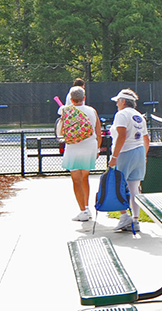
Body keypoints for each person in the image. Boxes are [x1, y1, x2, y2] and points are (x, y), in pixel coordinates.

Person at [57, 86, 101, 221]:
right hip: (90, 146)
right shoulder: (92, 111)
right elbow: (98, 131)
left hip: (73, 147)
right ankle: (87, 207)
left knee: (76, 180)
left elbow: (61, 131)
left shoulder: (66, 111)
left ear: (71, 99)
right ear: (84, 98)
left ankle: (83, 210)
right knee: (84, 178)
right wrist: (98, 148)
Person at [108, 88, 149, 234]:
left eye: (118, 101)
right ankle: (136, 220)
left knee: (117, 184)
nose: (117, 104)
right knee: (134, 188)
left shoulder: (121, 114)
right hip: (139, 151)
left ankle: (124, 216)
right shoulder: (139, 116)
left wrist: (114, 157)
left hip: (125, 152)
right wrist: (144, 156)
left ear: (123, 101)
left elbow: (121, 136)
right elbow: (146, 139)